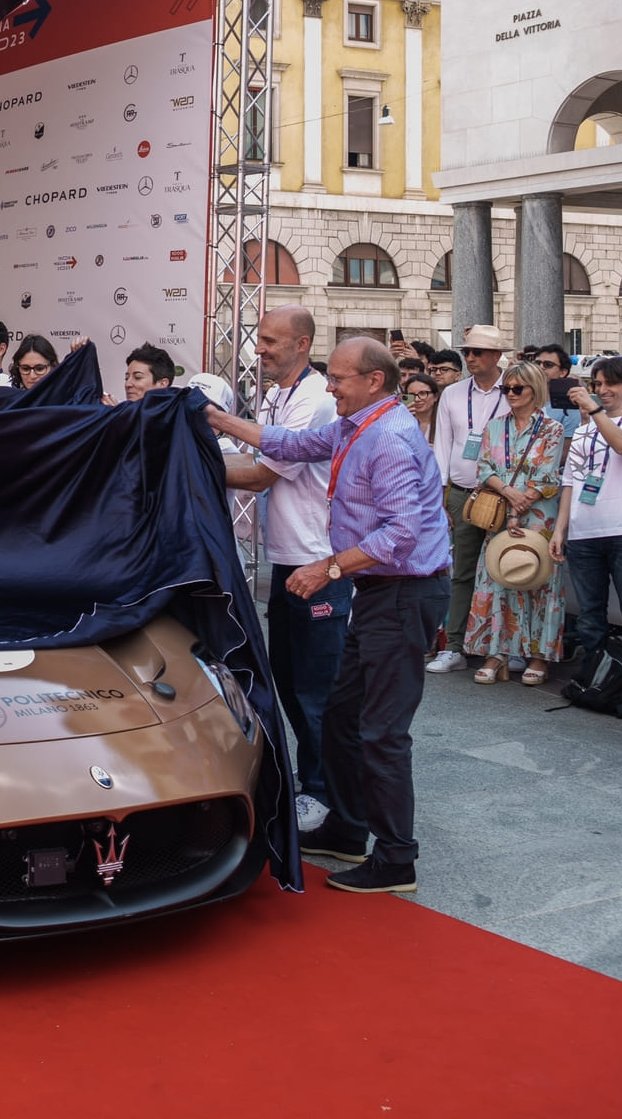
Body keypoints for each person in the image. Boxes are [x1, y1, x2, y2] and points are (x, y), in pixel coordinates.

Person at [205, 337, 449, 894]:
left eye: (338, 378)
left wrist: (328, 569)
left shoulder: (386, 435)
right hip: (382, 591)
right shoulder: (355, 422)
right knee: (342, 715)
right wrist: (217, 419)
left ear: (374, 382)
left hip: (403, 592)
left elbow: (401, 532)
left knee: (382, 731)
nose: (329, 386)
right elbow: (289, 443)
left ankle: (396, 859)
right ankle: (347, 826)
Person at [218, 305, 343, 834]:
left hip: (320, 563)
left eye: (271, 341)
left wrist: (191, 452)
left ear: (303, 345)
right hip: (288, 560)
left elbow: (257, 477)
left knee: (316, 689)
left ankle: (323, 791)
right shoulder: (275, 394)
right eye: (259, 340)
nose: (260, 349)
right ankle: (308, 778)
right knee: (289, 682)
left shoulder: (314, 401)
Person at [551, 357, 622, 692]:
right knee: (590, 616)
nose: (603, 391)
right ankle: (595, 680)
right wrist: (560, 530)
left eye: (610, 384)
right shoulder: (584, 431)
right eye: (597, 384)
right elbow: (570, 481)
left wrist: (593, 410)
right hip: (585, 533)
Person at [461, 361, 567, 687]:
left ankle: (539, 655)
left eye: (517, 388)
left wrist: (522, 502)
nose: (510, 394)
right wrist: (509, 494)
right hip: (500, 512)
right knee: (497, 578)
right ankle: (497, 652)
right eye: (507, 388)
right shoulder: (494, 427)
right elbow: (484, 468)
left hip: (539, 516)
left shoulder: (552, 429)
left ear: (535, 390)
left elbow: (548, 475)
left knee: (538, 580)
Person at [427, 323, 515, 675]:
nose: (471, 357)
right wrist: (440, 495)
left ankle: (506, 647)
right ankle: (456, 646)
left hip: (505, 495)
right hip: (462, 493)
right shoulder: (452, 394)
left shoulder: (513, 388)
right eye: (467, 351)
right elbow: (443, 446)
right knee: (462, 573)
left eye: (477, 351)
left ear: (496, 356)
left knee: (507, 571)